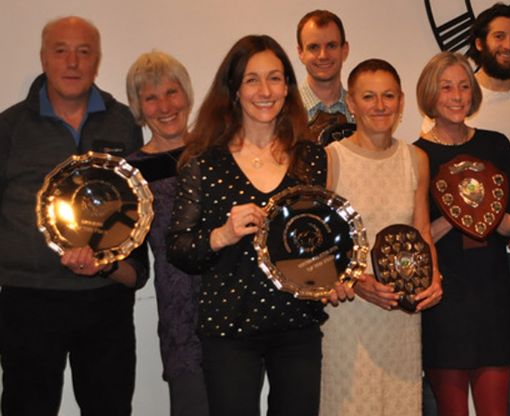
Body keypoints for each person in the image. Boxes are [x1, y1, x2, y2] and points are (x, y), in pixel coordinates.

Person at [167, 34, 345, 416]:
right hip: (229, 330)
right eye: (252, 79)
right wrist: (222, 235)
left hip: (297, 327)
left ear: (287, 87)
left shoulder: (311, 158)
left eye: (275, 78)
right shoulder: (203, 162)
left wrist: (331, 275)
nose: (265, 91)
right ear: (233, 89)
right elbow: (178, 248)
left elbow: (317, 239)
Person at [0, 16, 148, 416]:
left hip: (105, 300)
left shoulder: (123, 122)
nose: (72, 62)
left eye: (84, 52)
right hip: (29, 299)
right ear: (43, 58)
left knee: (110, 408)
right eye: (61, 50)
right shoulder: (9, 127)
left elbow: (134, 209)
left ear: (97, 60)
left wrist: (115, 265)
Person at [422, 5, 510, 414]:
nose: (456, 96)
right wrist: (457, 213)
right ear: (430, 94)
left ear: (473, 93)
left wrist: (484, 213)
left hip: (493, 288)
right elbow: (421, 237)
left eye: (463, 87)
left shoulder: (495, 144)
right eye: (446, 87)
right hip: (444, 293)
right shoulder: (417, 155)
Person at [320, 58, 442, 416]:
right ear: (352, 103)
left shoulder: (415, 158)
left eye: (388, 95)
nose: (380, 105)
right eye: (368, 96)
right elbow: (321, 243)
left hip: (401, 314)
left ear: (401, 101)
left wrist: (434, 277)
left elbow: (421, 230)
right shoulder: (331, 159)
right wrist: (357, 282)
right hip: (348, 315)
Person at [124, 51, 209, 416]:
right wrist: (98, 261)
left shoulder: (218, 153)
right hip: (181, 325)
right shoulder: (131, 173)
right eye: (151, 98)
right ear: (139, 109)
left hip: (236, 317)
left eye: (172, 92)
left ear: (188, 95)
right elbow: (135, 268)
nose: (164, 106)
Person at [296, 9, 353, 123]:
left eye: (331, 46)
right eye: (314, 47)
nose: (323, 56)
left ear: (344, 50)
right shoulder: (283, 111)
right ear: (301, 53)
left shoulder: (361, 112)